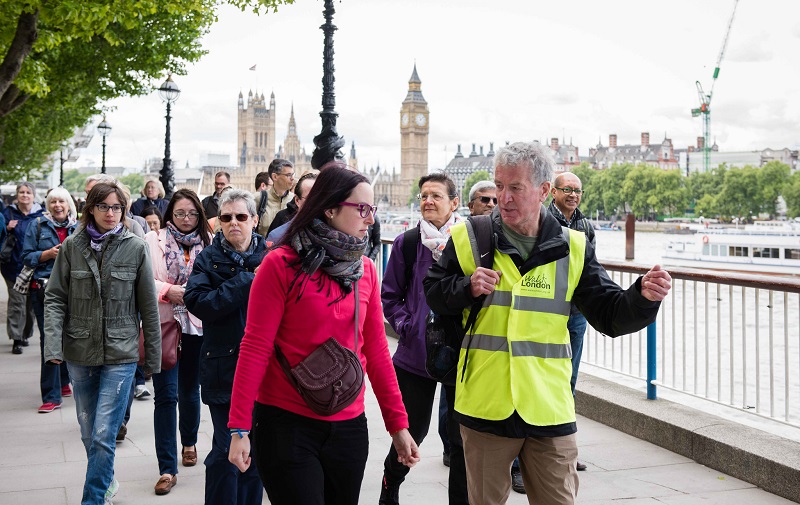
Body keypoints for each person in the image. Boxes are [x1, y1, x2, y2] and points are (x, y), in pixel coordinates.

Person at [423, 142, 672, 505]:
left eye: (515, 187)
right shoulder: (469, 236)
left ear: (542, 191)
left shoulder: (574, 247)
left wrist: (642, 297)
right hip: (485, 403)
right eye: (499, 186)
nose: (504, 197)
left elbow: (609, 313)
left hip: (548, 406)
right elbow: (433, 292)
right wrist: (466, 287)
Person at [228, 164, 419, 504]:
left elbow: (377, 351)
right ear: (330, 208)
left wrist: (398, 426)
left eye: (372, 209)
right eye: (362, 209)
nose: (371, 219)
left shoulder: (366, 270)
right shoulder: (280, 264)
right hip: (287, 423)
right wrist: (239, 427)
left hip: (348, 424)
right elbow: (255, 346)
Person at [44, 181, 161, 505]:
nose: (111, 213)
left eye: (117, 207)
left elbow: (148, 307)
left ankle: (92, 499)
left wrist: (152, 358)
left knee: (103, 433)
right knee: (88, 433)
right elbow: (54, 298)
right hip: (79, 350)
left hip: (121, 353)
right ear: (90, 209)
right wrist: (53, 346)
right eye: (104, 206)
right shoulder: (72, 246)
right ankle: (106, 479)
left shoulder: (135, 247)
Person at [379, 173, 469, 505]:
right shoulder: (406, 243)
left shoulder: (470, 243)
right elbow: (390, 296)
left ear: (454, 203)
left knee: (461, 439)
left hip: (461, 353)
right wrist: (409, 327)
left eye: (435, 195)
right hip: (415, 353)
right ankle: (390, 485)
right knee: (412, 431)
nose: (427, 201)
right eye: (423, 196)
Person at [185, 189, 268, 505]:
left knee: (256, 453)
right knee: (225, 450)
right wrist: (246, 280)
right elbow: (198, 303)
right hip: (224, 367)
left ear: (254, 220)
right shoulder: (208, 258)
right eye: (226, 217)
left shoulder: (272, 257)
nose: (234, 222)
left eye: (241, 216)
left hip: (266, 370)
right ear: (218, 221)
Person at [144, 189, 212, 495]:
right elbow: (141, 279)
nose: (186, 219)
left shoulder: (210, 242)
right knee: (165, 395)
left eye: (192, 213)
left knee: (190, 390)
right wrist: (167, 291)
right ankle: (167, 468)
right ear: (170, 213)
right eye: (180, 213)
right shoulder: (152, 240)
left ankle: (189, 442)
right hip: (163, 324)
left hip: (197, 327)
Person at [548, 172, 595, 476]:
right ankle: (521, 460)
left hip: (576, 314)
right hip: (545, 313)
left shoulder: (585, 226)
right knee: (539, 380)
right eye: (567, 189)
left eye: (578, 190)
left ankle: (565, 450)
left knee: (569, 383)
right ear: (553, 192)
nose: (573, 195)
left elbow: (591, 269)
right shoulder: (541, 222)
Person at [21, 187, 77, 413]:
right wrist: (47, 254)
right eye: (53, 202)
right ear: (48, 206)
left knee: (68, 336)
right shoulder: (36, 226)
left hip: (72, 290)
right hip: (43, 290)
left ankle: (63, 381)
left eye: (61, 201)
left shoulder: (78, 228)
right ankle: (51, 396)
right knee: (50, 339)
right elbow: (26, 257)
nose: (57, 205)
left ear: (69, 205)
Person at [2, 182, 44, 354]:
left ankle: (26, 334)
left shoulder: (41, 215)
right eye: (21, 192)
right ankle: (16, 338)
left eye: (28, 192)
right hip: (12, 266)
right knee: (17, 303)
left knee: (30, 304)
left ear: (33, 196)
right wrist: (7, 228)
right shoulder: (8, 213)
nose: (25, 195)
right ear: (17, 195)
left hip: (33, 267)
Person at [265, 172, 317, 244]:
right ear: (297, 201)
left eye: (321, 197)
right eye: (310, 198)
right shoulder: (277, 237)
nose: (318, 202)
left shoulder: (333, 230)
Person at [253, 158, 294, 237]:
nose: (292, 178)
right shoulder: (258, 199)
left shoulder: (295, 200)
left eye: (293, 175)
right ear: (275, 176)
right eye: (288, 175)